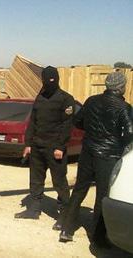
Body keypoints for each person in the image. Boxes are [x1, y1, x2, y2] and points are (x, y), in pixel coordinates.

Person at [59, 72, 133, 246]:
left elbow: (77, 121)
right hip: (109, 155)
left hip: (88, 151)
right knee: (102, 194)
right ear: (122, 87)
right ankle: (98, 238)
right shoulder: (124, 107)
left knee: (79, 190)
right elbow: (130, 132)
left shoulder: (91, 101)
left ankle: (66, 229)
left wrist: (92, 132)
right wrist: (120, 143)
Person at [14, 66, 74, 231]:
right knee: (35, 179)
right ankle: (33, 209)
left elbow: (67, 125)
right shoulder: (39, 97)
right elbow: (33, 122)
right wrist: (28, 144)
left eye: (52, 81)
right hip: (37, 147)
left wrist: (60, 146)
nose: (49, 84)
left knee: (59, 182)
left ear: (57, 80)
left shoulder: (66, 99)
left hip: (55, 148)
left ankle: (63, 215)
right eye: (46, 81)